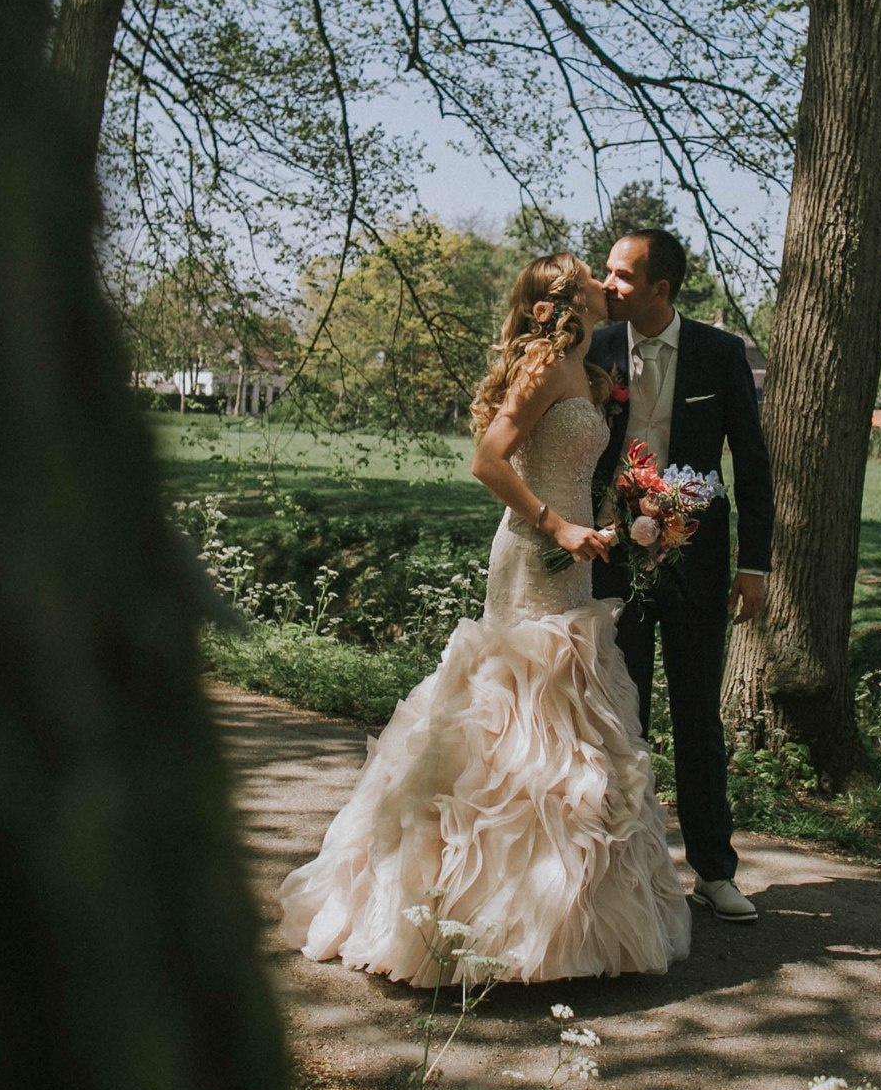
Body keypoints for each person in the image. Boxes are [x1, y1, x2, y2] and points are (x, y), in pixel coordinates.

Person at [277, 254, 693, 986]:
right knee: (515, 712)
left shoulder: (587, 367)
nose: (605, 280)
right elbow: (489, 460)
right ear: (558, 302)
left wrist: (621, 517)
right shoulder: (541, 368)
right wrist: (557, 526)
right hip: (533, 555)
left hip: (577, 556)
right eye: (592, 274)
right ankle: (476, 914)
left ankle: (573, 923)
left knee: (575, 721)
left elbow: (570, 464)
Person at [590, 228, 773, 923]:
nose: (609, 285)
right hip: (612, 555)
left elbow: (752, 465)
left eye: (622, 276)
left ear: (660, 290)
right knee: (617, 712)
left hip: (696, 561)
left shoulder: (721, 355)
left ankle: (715, 870)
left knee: (696, 712)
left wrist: (754, 565)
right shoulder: (597, 347)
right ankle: (623, 866)